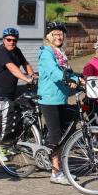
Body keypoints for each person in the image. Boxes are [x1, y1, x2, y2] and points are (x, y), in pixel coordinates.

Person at [37, 22, 80, 185]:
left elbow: (68, 72)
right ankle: (55, 173)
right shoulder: (46, 52)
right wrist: (68, 79)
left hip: (61, 97)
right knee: (56, 135)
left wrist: (79, 79)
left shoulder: (61, 53)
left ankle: (60, 167)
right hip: (48, 98)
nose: (58, 36)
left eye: (61, 34)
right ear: (49, 36)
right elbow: (54, 72)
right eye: (55, 34)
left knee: (64, 133)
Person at [0, 27, 34, 161]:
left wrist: (31, 73)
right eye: (8, 39)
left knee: (8, 120)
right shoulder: (1, 51)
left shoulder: (16, 50)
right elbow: (12, 68)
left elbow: (25, 63)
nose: (11, 42)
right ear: (3, 40)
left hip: (10, 92)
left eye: (14, 40)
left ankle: (5, 144)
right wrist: (26, 78)